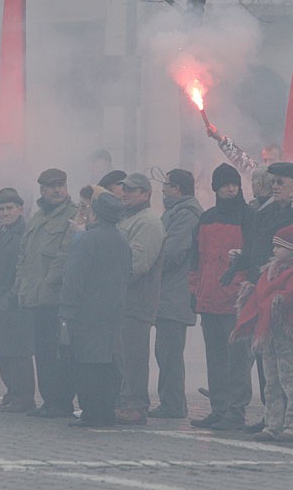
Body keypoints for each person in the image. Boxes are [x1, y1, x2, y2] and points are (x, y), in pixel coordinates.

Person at [231, 225, 293, 442]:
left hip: (286, 330)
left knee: (290, 379)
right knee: (271, 380)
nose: (274, 250)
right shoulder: (269, 271)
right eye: (274, 246)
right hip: (268, 332)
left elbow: (290, 295)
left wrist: (273, 301)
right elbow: (261, 293)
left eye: (280, 246)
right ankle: (272, 423)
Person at [59, 193, 132, 428]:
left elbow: (73, 277)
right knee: (108, 362)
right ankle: (107, 411)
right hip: (113, 311)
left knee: (86, 362)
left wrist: (67, 309)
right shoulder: (122, 241)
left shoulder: (88, 239)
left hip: (86, 312)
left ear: (97, 214)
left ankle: (91, 412)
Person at [189, 163, 252, 430]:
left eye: (234, 183)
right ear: (216, 187)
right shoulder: (206, 219)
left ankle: (235, 411)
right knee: (215, 358)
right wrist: (194, 291)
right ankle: (219, 408)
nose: (231, 188)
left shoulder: (248, 217)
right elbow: (196, 259)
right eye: (225, 184)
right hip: (209, 297)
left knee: (237, 359)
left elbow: (251, 258)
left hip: (235, 299)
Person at [14, 168, 78, 418]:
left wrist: (48, 284)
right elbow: (24, 255)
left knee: (59, 354)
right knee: (42, 352)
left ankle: (61, 402)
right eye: (51, 186)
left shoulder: (73, 216)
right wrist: (21, 284)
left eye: (60, 185)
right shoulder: (38, 217)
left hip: (56, 299)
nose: (57, 190)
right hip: (36, 299)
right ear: (42, 190)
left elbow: (65, 256)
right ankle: (49, 400)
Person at [148, 169, 204, 419]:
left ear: (178, 189)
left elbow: (172, 252)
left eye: (167, 185)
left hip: (175, 293)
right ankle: (170, 402)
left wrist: (151, 261)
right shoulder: (176, 212)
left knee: (169, 351)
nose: (163, 190)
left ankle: (173, 404)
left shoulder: (186, 215)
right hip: (168, 293)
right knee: (165, 351)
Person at [115, 173, 165, 425]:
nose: (125, 193)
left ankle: (136, 404)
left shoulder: (147, 222)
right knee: (122, 354)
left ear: (146, 194)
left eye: (132, 190)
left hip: (136, 300)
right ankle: (124, 401)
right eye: (124, 189)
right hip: (123, 300)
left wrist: (110, 284)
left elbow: (136, 265)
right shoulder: (130, 218)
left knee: (133, 355)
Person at [0, 188, 35, 414]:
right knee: (1, 351)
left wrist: (11, 296)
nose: (5, 213)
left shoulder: (25, 233)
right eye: (1, 209)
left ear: (20, 209)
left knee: (17, 352)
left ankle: (23, 397)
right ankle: (11, 393)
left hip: (13, 302)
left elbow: (26, 267)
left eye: (9, 208)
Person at [205, 123, 282, 174]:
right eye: (265, 160)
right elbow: (241, 160)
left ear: (281, 160)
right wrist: (219, 138)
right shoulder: (259, 175)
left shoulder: (290, 178)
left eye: (272, 160)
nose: (268, 164)